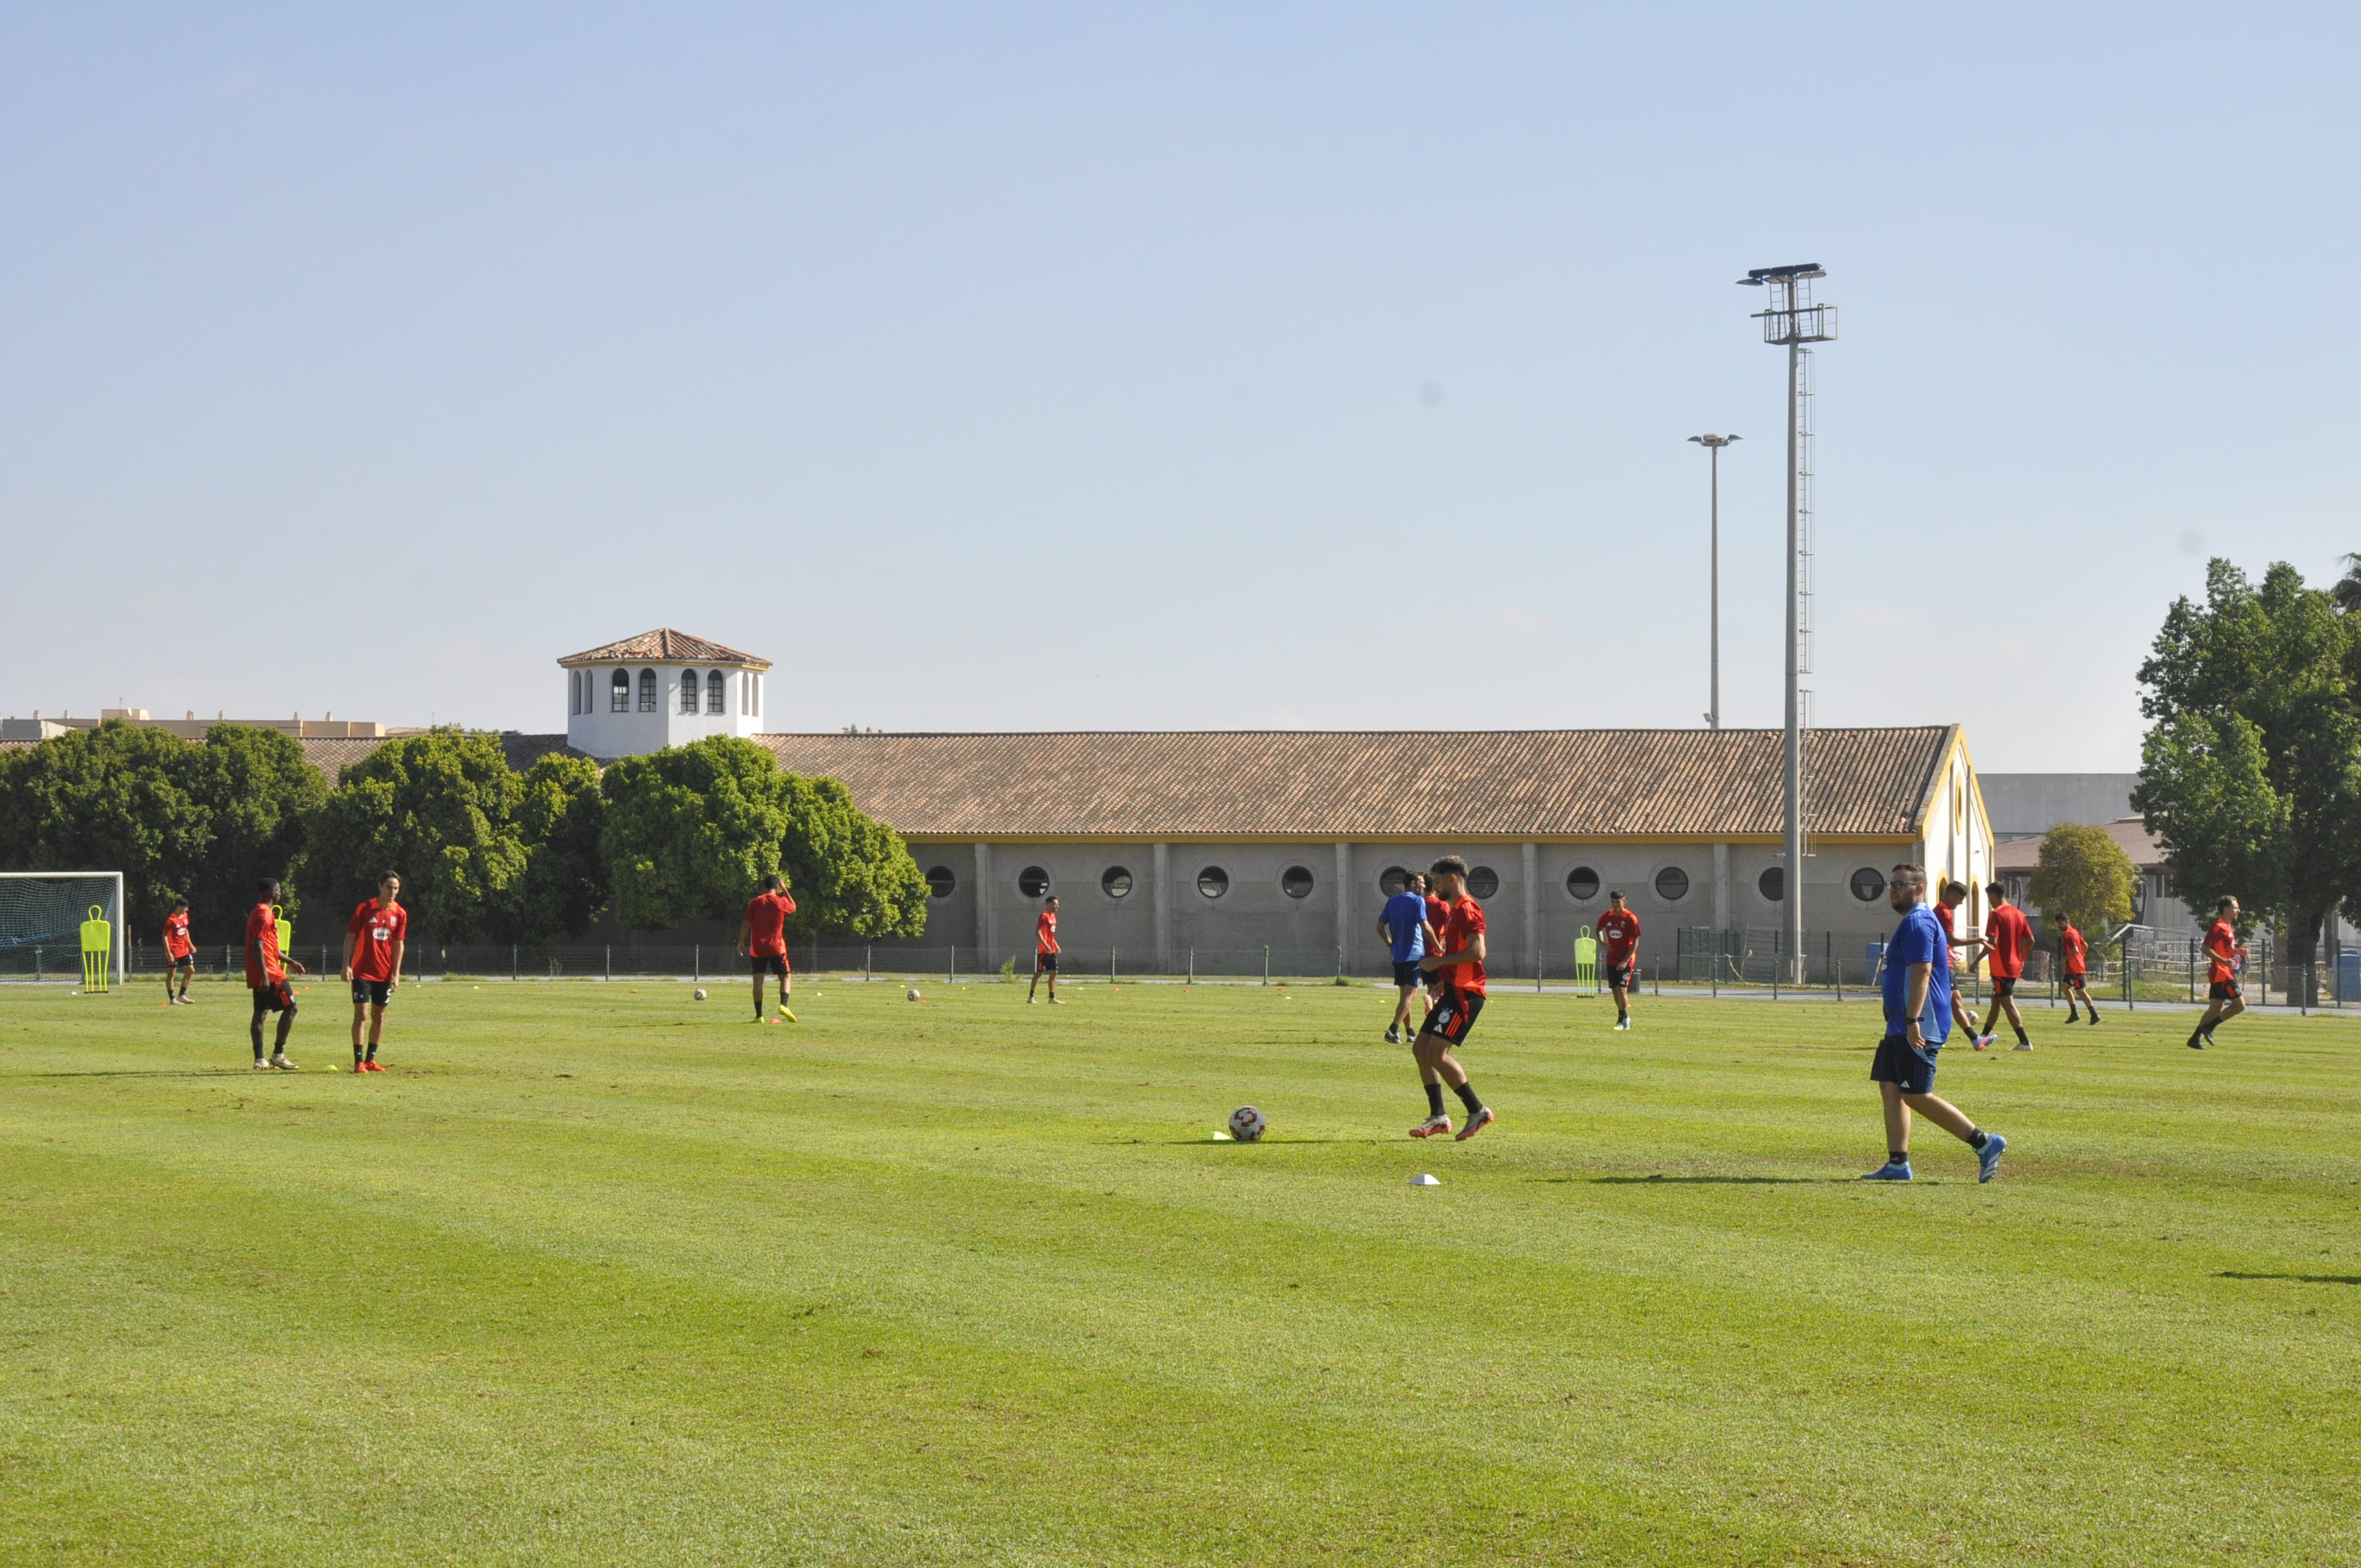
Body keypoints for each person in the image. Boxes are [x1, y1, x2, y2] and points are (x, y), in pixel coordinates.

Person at [1862, 864, 2006, 1183]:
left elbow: (1922, 971)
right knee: (1890, 1087)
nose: (1894, 890)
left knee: (1915, 1094)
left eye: (1901, 884)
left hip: (1919, 1025)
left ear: (1920, 889)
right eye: (1892, 884)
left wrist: (1913, 1019)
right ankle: (1898, 1164)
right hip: (1900, 1024)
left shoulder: (1919, 922)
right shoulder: (1913, 921)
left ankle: (1984, 1143)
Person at [1410, 856, 1494, 1141]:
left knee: (1436, 1054)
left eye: (1438, 881)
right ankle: (1439, 1116)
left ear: (1453, 879)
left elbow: (1477, 952)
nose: (1435, 887)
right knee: (1421, 1049)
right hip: (1452, 990)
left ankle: (1477, 1110)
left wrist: (1437, 962)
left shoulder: (1469, 908)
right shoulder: (1454, 910)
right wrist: (1439, 985)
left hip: (1467, 993)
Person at [341, 871, 408, 1073]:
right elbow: (350, 937)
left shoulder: (400, 914)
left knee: (379, 1016)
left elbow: (398, 945)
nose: (393, 892)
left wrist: (396, 974)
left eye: (396, 888)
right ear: (379, 886)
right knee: (362, 1014)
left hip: (384, 974)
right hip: (362, 972)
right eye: (389, 887)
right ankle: (358, 1061)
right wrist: (346, 964)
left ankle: (371, 1060)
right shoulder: (365, 909)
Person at [244, 877, 305, 1070]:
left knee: (260, 1013)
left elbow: (268, 946)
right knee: (291, 1008)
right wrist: (264, 975)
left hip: (263, 971)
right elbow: (258, 945)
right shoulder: (265, 914)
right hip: (270, 973)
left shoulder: (258, 912)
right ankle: (278, 1055)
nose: (281, 894)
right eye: (279, 891)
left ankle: (260, 1059)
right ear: (271, 893)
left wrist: (290, 961)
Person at [1976, 882, 2035, 1051]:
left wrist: (1976, 962)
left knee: (2007, 1003)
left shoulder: (1996, 914)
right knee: (1996, 1002)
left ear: (1994, 895)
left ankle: (2024, 1042)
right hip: (2014, 966)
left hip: (2001, 967)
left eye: (1989, 897)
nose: (1990, 901)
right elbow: (2031, 940)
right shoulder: (2018, 913)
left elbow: (1991, 943)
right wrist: (2022, 958)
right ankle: (1982, 1038)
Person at [738, 874, 798, 1024]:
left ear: (764, 887)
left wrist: (740, 941)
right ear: (777, 887)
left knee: (758, 981)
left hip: (758, 948)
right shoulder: (781, 901)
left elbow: (746, 924)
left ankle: (759, 1016)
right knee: (785, 977)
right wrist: (785, 889)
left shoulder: (756, 902)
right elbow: (794, 907)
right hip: (777, 947)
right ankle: (784, 1005)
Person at [1377, 875, 1430, 1044]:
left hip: (1398, 955)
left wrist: (1389, 942)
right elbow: (1425, 925)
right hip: (1414, 953)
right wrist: (1438, 945)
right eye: (1422, 883)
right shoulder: (1418, 901)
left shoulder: (1392, 901)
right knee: (1411, 995)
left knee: (1404, 997)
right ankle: (1393, 1030)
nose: (1424, 887)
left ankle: (1410, 1032)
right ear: (1413, 883)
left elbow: (1379, 927)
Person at [2188, 896, 2246, 1050]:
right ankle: (2210, 1027)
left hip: (2223, 971)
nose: (2238, 910)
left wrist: (2236, 951)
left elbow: (2225, 949)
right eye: (2235, 907)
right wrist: (2224, 961)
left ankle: (2195, 1038)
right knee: (2240, 1006)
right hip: (2222, 973)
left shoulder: (2227, 927)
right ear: (2226, 909)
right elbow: (2205, 948)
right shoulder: (2218, 927)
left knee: (2215, 1008)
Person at [1596, 891, 1642, 1031]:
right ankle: (1624, 1015)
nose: (1615, 905)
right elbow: (1598, 929)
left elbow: (1635, 942)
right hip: (1612, 959)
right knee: (1615, 991)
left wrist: (1625, 961)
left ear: (1624, 902)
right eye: (1613, 902)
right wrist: (1602, 943)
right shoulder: (1606, 916)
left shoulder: (1630, 918)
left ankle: (1622, 1020)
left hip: (1626, 959)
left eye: (1618, 902)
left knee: (1622, 989)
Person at [2057, 913, 2100, 1026]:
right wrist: (2082, 956)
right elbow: (2085, 945)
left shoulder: (2068, 935)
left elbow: (2075, 950)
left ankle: (2094, 1014)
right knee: (2065, 987)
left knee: (2081, 991)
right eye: (2058, 924)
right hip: (2073, 967)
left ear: (2067, 922)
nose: (2059, 926)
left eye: (2061, 923)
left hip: (2075, 968)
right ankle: (2074, 1013)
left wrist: (2065, 959)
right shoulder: (2075, 932)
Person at [1028, 895, 1062, 1003]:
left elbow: (1051, 935)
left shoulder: (1054, 917)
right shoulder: (1044, 916)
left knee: (1054, 972)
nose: (1057, 906)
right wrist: (1046, 945)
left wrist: (1055, 945)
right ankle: (1031, 997)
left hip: (1051, 949)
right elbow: (1038, 932)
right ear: (1048, 904)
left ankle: (1052, 998)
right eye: (1055, 904)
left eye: (1058, 904)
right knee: (1039, 973)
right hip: (1044, 950)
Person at [162, 897, 195, 1005]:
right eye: (185, 908)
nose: (187, 910)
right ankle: (172, 999)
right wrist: (169, 952)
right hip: (173, 950)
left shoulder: (185, 917)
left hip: (183, 949)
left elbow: (185, 931)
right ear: (179, 907)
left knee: (190, 970)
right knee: (171, 973)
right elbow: (165, 936)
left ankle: (182, 995)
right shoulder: (171, 920)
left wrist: (190, 945)